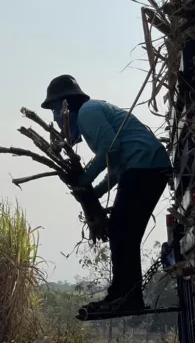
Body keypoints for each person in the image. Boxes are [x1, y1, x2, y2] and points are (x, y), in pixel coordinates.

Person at [41, 75, 172, 314]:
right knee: (123, 232)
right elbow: (116, 166)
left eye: (55, 110)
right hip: (143, 168)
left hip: (145, 167)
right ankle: (122, 294)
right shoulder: (91, 115)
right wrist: (93, 193)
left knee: (122, 231)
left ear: (66, 105)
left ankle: (126, 297)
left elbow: (110, 149)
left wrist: (84, 181)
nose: (56, 119)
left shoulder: (88, 113)